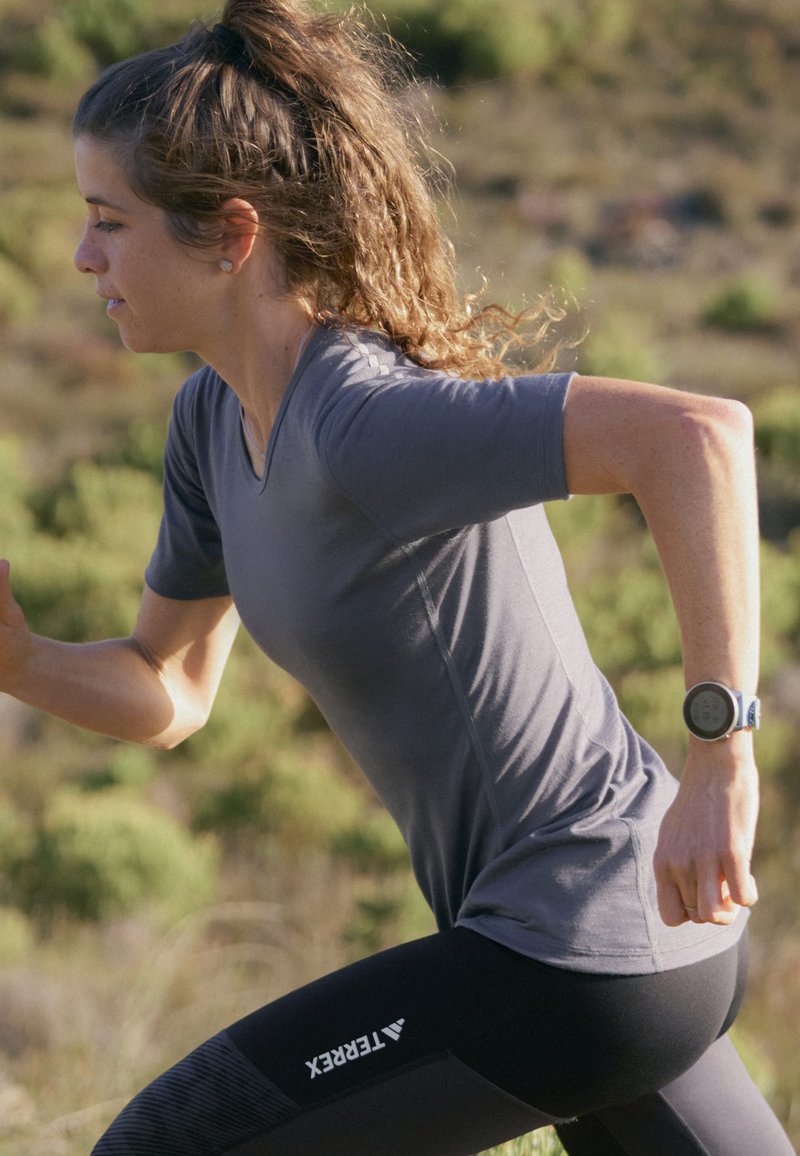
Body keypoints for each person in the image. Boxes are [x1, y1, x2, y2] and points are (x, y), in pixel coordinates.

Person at [0, 2, 793, 1153]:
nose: (82, 258)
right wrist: (19, 663)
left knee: (163, 1144)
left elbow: (699, 438)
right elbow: (165, 689)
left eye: (108, 224)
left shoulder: (361, 420)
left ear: (228, 235)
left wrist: (719, 759)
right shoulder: (211, 426)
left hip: (574, 949)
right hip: (621, 954)